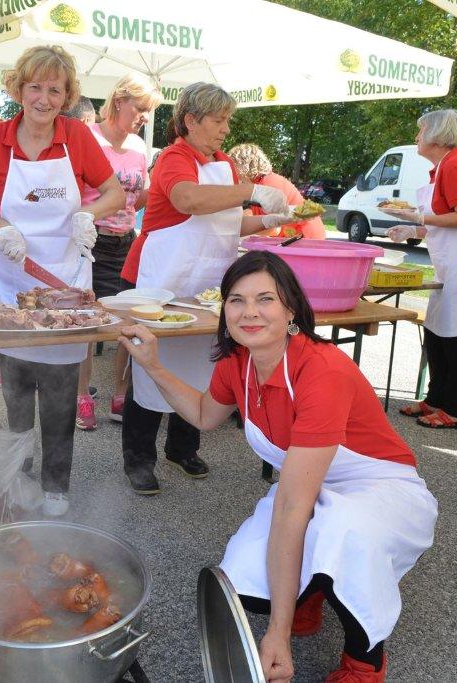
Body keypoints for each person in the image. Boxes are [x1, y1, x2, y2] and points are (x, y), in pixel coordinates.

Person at [121, 251, 437, 683]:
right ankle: (311, 592)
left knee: (342, 532)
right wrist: (153, 365)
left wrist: (277, 633)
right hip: (307, 485)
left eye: (265, 299)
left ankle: (364, 662)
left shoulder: (322, 370)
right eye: (236, 300)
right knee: (242, 579)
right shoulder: (237, 362)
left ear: (291, 309)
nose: (249, 312)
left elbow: (292, 507)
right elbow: (204, 415)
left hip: (381, 488)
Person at [0, 45, 124, 516]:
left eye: (55, 90)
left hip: (65, 282)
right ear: (18, 89)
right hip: (11, 285)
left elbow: (113, 193)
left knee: (61, 393)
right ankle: (20, 477)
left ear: (67, 96)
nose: (44, 99)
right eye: (35, 87)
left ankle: (56, 487)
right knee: (17, 390)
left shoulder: (77, 137)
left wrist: (89, 214)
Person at [117, 81, 293, 495]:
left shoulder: (224, 163)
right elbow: (188, 201)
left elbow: (227, 223)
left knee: (201, 368)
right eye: (218, 120)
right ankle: (138, 459)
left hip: (209, 285)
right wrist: (252, 190)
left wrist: (265, 221)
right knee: (151, 368)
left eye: (227, 120)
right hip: (166, 284)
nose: (225, 129)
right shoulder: (174, 158)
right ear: (191, 120)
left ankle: (182, 448)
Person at [388, 109, 457, 429]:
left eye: (421, 132)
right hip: (452, 262)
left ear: (437, 135)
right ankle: (436, 399)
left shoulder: (456, 166)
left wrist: (418, 218)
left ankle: (455, 409)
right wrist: (412, 230)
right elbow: (446, 220)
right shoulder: (442, 168)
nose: (417, 137)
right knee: (436, 332)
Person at [75, 73, 162, 430]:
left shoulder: (140, 147)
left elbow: (138, 197)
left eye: (149, 111)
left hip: (126, 240)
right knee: (88, 323)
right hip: (90, 240)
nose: (145, 117)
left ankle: (120, 395)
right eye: (140, 108)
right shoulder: (87, 137)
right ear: (119, 100)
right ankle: (82, 396)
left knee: (128, 322)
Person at [228, 143, 325, 240]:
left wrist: (236, 226)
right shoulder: (262, 182)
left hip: (305, 236)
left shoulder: (267, 183)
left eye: (231, 165)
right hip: (298, 235)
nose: (230, 170)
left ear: (242, 164)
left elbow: (273, 229)